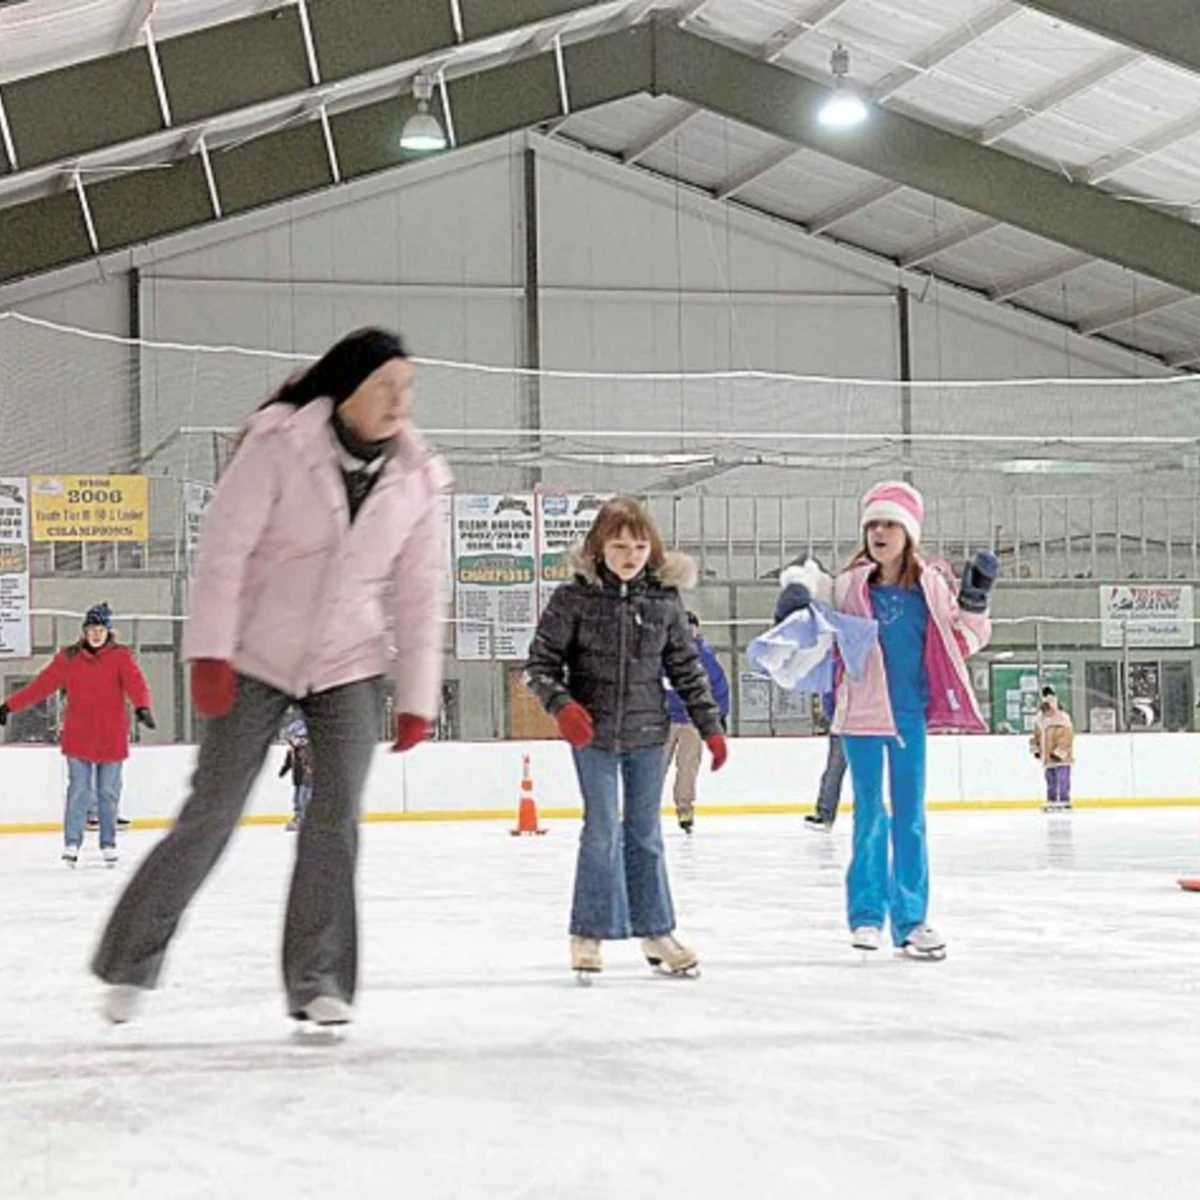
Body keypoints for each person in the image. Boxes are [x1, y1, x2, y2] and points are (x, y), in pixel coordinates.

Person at [90, 327, 450, 1028]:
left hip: (347, 665)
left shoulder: (419, 477)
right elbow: (226, 552)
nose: (400, 402)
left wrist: (416, 696)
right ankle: (129, 964)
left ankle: (319, 980)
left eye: (407, 388)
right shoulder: (279, 446)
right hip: (256, 654)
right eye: (385, 386)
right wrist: (212, 654)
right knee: (213, 812)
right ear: (347, 389)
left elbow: (419, 594)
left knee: (334, 820)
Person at [774, 482, 996, 960]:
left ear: (909, 532)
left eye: (890, 523)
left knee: (910, 819)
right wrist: (796, 588)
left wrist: (976, 601)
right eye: (873, 523)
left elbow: (963, 640)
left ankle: (911, 921)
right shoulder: (851, 585)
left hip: (910, 716)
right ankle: (867, 916)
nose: (879, 532)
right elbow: (816, 595)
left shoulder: (932, 587)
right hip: (861, 716)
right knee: (872, 815)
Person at [523, 497, 727, 980]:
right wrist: (563, 706)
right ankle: (587, 933)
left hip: (647, 734)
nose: (630, 555)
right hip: (591, 733)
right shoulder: (572, 598)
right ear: (599, 548)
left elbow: (686, 668)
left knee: (646, 835)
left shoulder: (663, 600)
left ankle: (656, 931)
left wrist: (710, 727)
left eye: (638, 545)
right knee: (601, 832)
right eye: (619, 545)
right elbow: (540, 665)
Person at [0, 602, 154, 867]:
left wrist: (142, 707)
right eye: (91, 629)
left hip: (111, 737)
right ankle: (72, 843)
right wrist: (9, 706)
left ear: (108, 632)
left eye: (100, 629)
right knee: (79, 791)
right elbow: (41, 686)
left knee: (107, 792)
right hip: (79, 736)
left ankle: (108, 844)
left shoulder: (120, 657)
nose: (95, 634)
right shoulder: (69, 659)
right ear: (83, 632)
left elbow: (135, 682)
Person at [663, 611, 730, 833]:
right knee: (653, 767)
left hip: (692, 720)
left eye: (692, 628)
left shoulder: (704, 656)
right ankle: (643, 810)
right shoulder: (663, 652)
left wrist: (719, 717)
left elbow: (719, 686)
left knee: (688, 767)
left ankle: (685, 809)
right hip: (664, 720)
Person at [804, 689, 846, 831]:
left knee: (835, 770)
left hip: (860, 724)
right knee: (834, 770)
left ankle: (825, 813)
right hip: (842, 724)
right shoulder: (837, 669)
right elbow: (828, 694)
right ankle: (825, 814)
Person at [1031, 685, 1074, 812]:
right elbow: (1036, 736)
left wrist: (1059, 752)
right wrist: (1036, 750)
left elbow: (1066, 738)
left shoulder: (1062, 719)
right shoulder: (1040, 721)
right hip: (1048, 756)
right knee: (1050, 779)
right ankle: (1052, 799)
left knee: (1062, 778)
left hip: (1061, 757)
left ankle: (1064, 799)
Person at [279, 714, 313, 831]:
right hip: (298, 779)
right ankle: (299, 816)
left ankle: (303, 819)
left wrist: (310, 769)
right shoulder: (294, 750)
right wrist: (284, 770)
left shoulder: (309, 749)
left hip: (307, 779)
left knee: (304, 797)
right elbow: (289, 761)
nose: (291, 740)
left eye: (294, 737)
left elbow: (312, 762)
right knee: (297, 799)